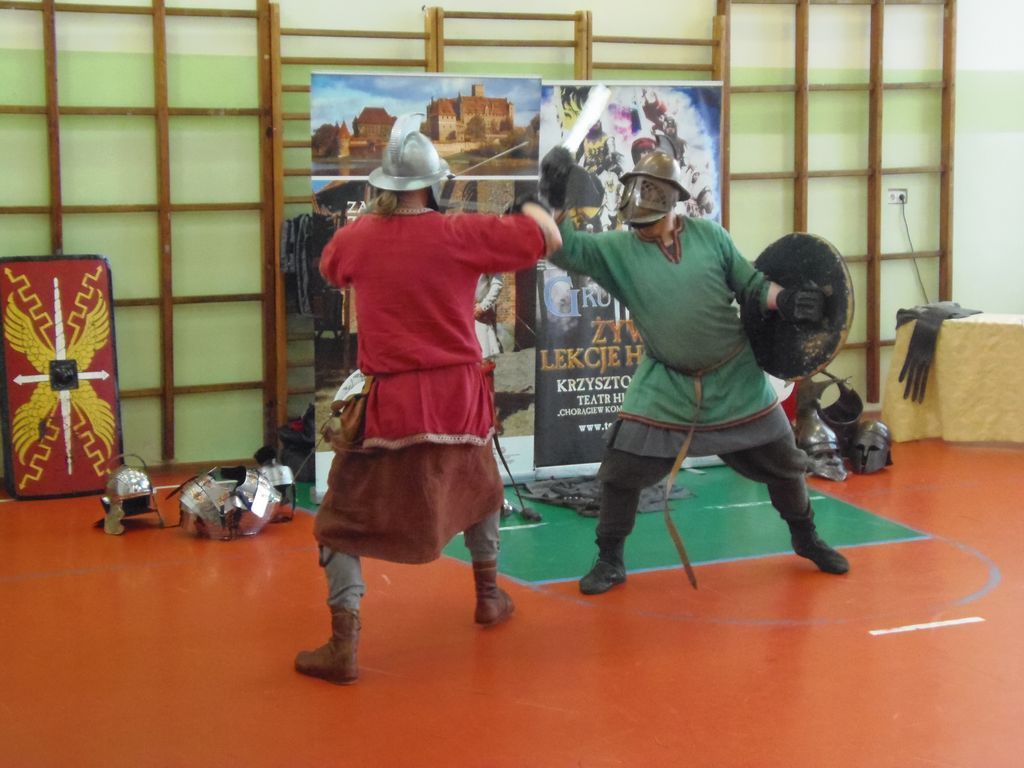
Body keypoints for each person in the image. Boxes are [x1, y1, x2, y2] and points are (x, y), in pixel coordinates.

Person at [295, 116, 561, 685]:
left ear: (382, 184)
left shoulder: (356, 238)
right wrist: (536, 208)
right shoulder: (461, 232)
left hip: (391, 404)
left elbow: (332, 267)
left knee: (339, 522)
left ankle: (344, 644)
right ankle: (488, 597)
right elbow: (546, 240)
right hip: (458, 398)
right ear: (432, 183)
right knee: (481, 491)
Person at [539, 146, 849, 596]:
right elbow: (565, 248)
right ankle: (609, 559)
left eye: (649, 217)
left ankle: (807, 538)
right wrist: (553, 198)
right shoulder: (617, 250)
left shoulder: (710, 237)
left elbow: (751, 284)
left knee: (785, 464)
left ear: (672, 201)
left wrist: (785, 300)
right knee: (621, 472)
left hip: (736, 377)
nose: (641, 226)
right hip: (665, 383)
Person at [475, 272, 504, 430]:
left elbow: (497, 281)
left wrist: (483, 306)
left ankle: (490, 417)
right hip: (454, 316)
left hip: (476, 315)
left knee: (484, 367)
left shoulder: (484, 256)